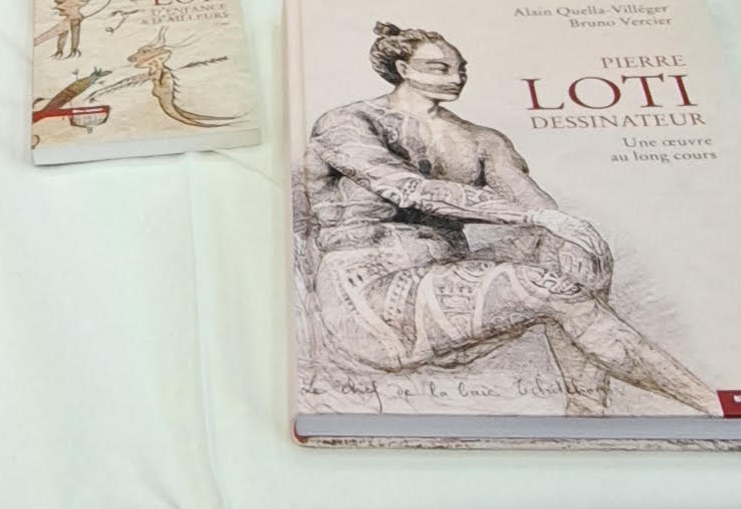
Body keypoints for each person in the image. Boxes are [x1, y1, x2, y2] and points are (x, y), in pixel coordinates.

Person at [301, 24, 713, 420]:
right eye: (439, 68)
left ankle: (588, 410)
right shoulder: (348, 123)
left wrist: (560, 227)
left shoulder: (482, 140)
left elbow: (542, 210)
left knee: (571, 246)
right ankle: (708, 402)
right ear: (403, 69)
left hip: (447, 283)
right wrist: (535, 215)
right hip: (370, 298)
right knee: (549, 284)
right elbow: (408, 189)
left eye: (461, 68)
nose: (456, 77)